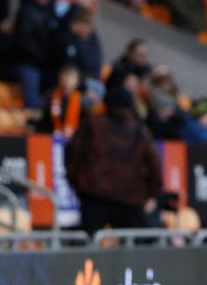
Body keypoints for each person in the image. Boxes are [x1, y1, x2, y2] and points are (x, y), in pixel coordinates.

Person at [65, 85, 162, 235]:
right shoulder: (139, 131)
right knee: (131, 250)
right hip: (130, 198)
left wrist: (77, 183)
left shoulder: (92, 124)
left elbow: (72, 154)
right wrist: (153, 194)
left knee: (89, 249)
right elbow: (154, 165)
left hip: (93, 195)